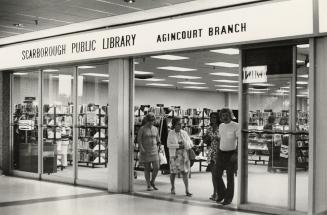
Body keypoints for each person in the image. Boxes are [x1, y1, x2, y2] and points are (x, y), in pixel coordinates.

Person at [216, 108, 239, 205]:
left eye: (226, 115)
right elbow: (220, 139)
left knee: (230, 177)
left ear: (230, 115)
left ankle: (228, 198)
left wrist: (236, 154)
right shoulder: (221, 126)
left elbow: (239, 140)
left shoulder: (236, 125)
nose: (224, 117)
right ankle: (222, 194)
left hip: (231, 154)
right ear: (221, 117)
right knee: (216, 175)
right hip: (221, 153)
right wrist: (217, 150)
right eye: (223, 115)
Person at [167, 117, 193, 197]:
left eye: (181, 124)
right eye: (178, 124)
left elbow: (190, 143)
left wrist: (185, 144)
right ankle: (172, 187)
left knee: (185, 172)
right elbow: (168, 145)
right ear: (174, 125)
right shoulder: (171, 133)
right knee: (173, 173)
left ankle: (187, 190)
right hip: (174, 155)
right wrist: (178, 146)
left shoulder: (184, 133)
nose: (180, 125)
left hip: (184, 155)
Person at [137, 113, 160, 191]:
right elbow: (139, 140)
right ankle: (148, 185)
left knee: (157, 167)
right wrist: (141, 148)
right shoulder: (142, 129)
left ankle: (152, 181)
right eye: (150, 121)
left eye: (152, 121)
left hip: (154, 150)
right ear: (146, 120)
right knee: (147, 168)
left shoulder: (155, 129)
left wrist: (158, 146)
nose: (151, 122)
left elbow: (158, 139)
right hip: (145, 150)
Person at [203, 112, 220, 201]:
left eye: (214, 117)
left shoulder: (221, 128)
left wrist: (218, 139)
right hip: (211, 152)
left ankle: (218, 193)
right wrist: (206, 139)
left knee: (217, 174)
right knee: (213, 174)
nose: (212, 119)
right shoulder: (208, 129)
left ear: (217, 118)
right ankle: (215, 192)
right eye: (211, 117)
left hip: (219, 153)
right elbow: (206, 141)